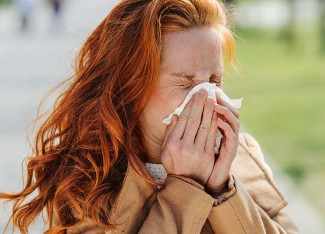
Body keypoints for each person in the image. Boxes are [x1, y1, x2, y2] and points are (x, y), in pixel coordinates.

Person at [0, 0, 299, 233]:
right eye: (185, 82)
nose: (208, 97)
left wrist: (223, 190)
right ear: (132, 86)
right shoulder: (86, 181)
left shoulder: (243, 156)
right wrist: (186, 187)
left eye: (215, 80)